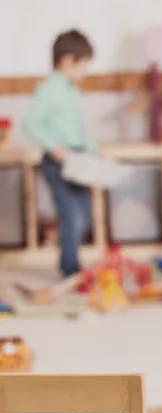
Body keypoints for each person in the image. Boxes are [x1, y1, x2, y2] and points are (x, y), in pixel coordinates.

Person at [24, 29, 95, 277]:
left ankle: (72, 260)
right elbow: (31, 124)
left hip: (78, 158)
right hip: (58, 161)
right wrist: (54, 147)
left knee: (84, 213)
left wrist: (91, 152)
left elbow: (77, 126)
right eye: (84, 65)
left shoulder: (70, 89)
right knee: (70, 214)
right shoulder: (48, 89)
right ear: (67, 61)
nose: (86, 72)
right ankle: (70, 267)